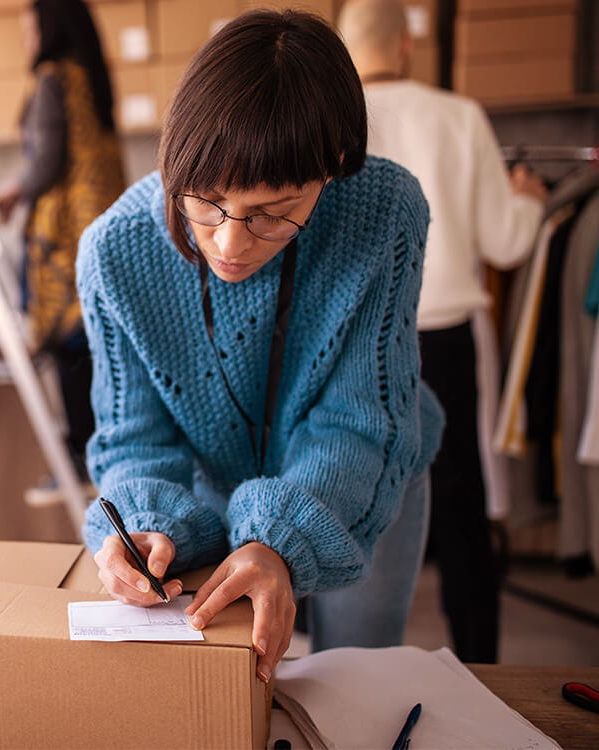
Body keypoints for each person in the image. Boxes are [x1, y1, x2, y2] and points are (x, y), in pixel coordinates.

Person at [81, 9, 445, 684]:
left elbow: (359, 423)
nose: (229, 241)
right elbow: (133, 438)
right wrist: (143, 522)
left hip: (367, 473)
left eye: (272, 213)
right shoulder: (114, 251)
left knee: (361, 680)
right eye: (207, 201)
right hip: (219, 484)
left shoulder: (385, 213)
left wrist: (276, 542)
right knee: (234, 687)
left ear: (333, 168)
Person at [338, 0, 547, 664]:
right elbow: (505, 243)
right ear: (405, 45)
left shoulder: (332, 123)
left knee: (345, 501)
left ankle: (339, 673)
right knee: (463, 514)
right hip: (445, 336)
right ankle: (480, 668)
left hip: (354, 342)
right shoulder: (458, 116)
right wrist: (530, 204)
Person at [0, 0, 126, 477]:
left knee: (67, 340)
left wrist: (0, 196)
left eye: (30, 28)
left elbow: (44, 163)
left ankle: (82, 453)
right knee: (98, 341)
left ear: (50, 26)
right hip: (103, 224)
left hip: (64, 234)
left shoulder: (52, 79)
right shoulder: (93, 78)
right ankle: (105, 449)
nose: (26, 40)